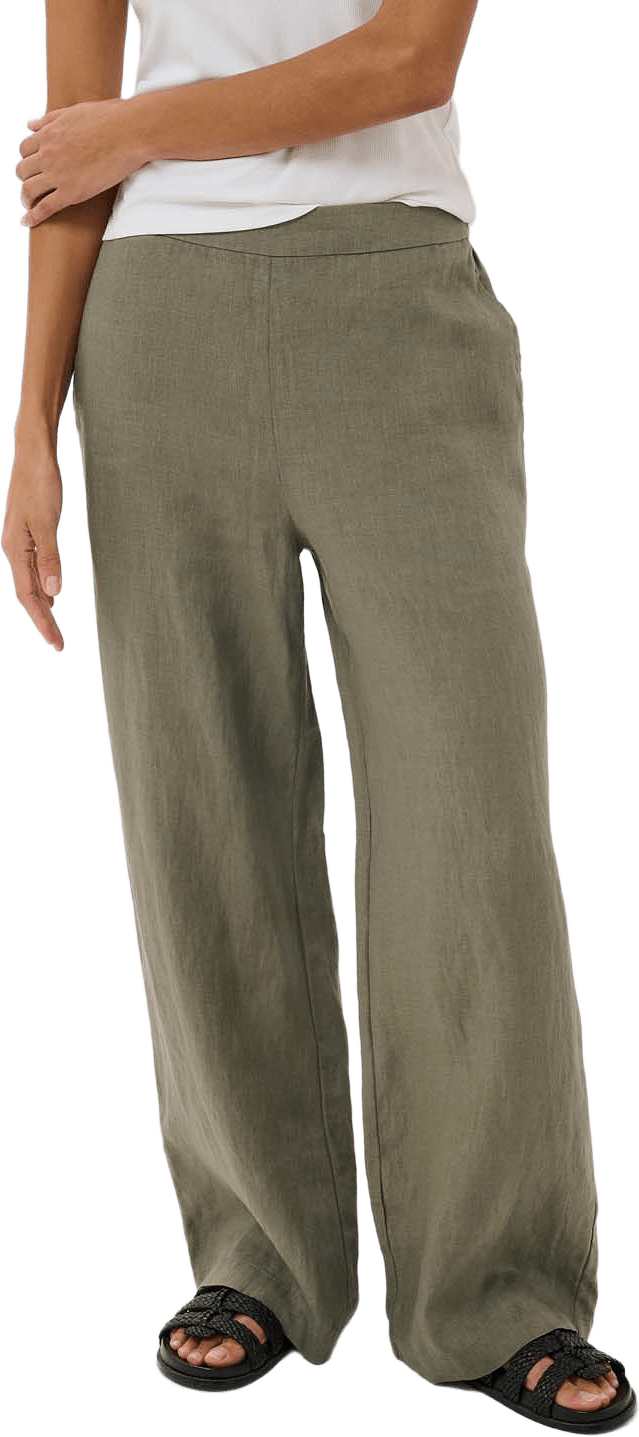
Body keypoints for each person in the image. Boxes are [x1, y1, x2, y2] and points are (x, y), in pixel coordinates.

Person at [4, 1, 637, 1430]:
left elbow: (407, 61)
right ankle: (254, 1261)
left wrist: (136, 129)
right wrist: (33, 422)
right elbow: (65, 160)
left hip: (394, 301)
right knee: (198, 803)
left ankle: (500, 1291)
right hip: (156, 331)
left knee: (468, 813)